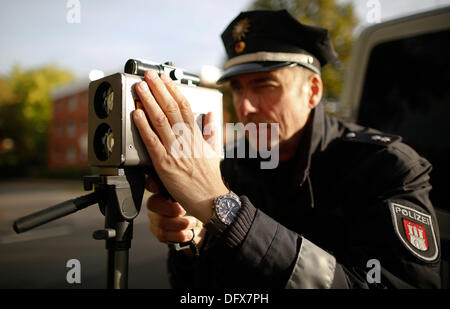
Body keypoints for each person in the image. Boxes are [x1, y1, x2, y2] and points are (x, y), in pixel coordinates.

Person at [132, 9, 441, 288]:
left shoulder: (386, 167)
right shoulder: (232, 164)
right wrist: (192, 242)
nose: (246, 106)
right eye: (237, 88)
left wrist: (224, 211)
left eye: (264, 85)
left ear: (313, 91)